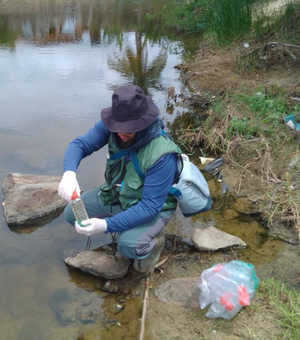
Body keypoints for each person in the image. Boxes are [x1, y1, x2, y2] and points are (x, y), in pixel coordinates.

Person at [58, 84, 181, 273]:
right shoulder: (113, 128)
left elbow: (149, 207)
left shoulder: (163, 155)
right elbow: (79, 145)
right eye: (118, 128)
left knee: (129, 245)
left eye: (128, 130)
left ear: (143, 124)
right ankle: (125, 224)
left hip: (154, 207)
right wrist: (69, 173)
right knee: (71, 214)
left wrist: (105, 225)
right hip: (121, 193)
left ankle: (155, 242)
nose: (121, 133)